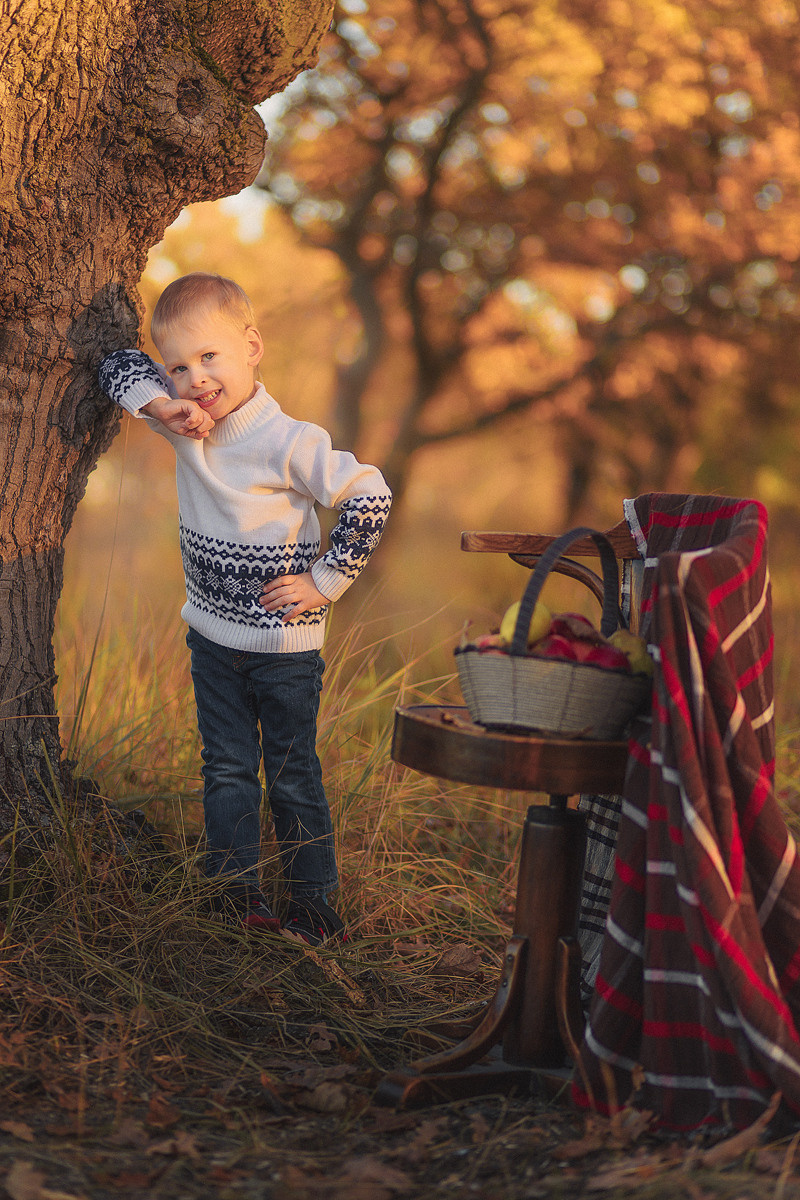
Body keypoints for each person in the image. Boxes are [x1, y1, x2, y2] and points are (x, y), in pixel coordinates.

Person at [99, 272, 391, 945]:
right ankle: (235, 898)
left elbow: (369, 494)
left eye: (210, 357)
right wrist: (156, 404)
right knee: (227, 769)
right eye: (178, 366)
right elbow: (114, 363)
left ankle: (312, 906)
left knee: (291, 775)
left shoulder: (289, 441)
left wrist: (325, 581)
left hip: (285, 649)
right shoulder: (186, 428)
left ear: (252, 346)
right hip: (212, 642)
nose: (195, 378)